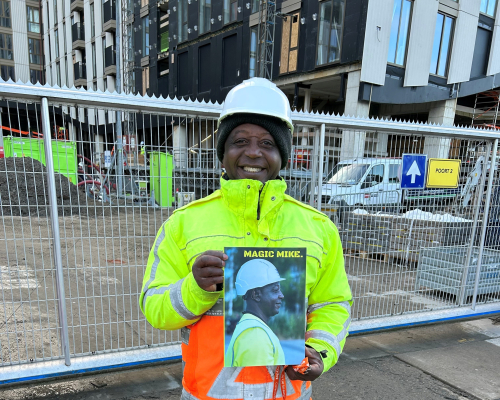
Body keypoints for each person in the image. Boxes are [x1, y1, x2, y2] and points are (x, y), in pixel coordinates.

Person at [140, 77, 352, 400]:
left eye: (267, 143)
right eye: (240, 141)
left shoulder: (318, 228)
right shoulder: (184, 224)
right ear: (222, 151)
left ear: (282, 154)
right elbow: (154, 306)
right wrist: (195, 288)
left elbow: (333, 304)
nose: (253, 153)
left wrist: (320, 350)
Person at [225, 259, 286, 367]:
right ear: (256, 295)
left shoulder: (251, 328)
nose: (281, 295)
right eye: (275, 290)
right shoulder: (256, 335)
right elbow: (259, 379)